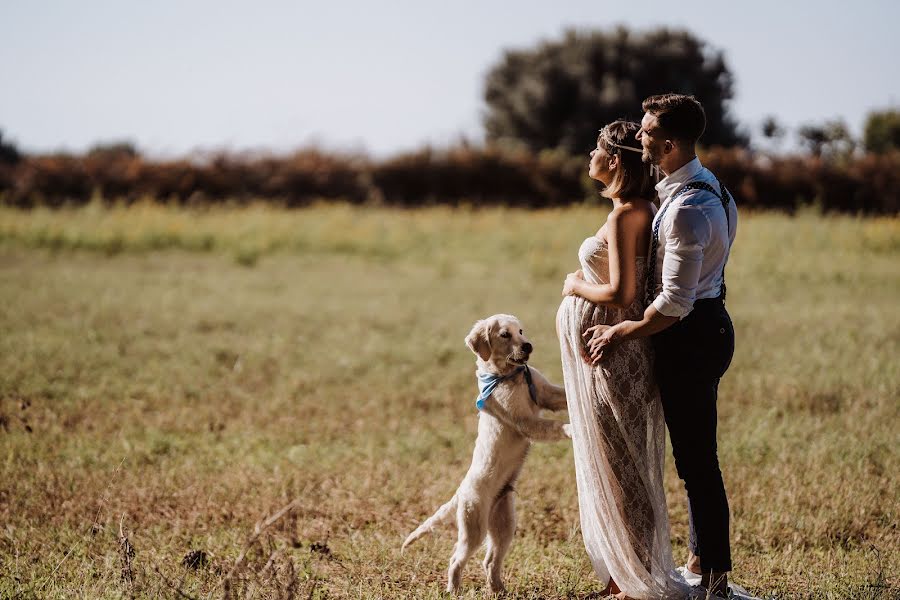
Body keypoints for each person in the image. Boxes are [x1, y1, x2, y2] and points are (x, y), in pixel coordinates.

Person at [584, 94, 739, 598]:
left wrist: (617, 331)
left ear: (668, 143)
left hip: (691, 336)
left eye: (647, 132)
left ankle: (714, 577)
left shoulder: (687, 209)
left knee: (697, 464)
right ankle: (700, 561)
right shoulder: (707, 186)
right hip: (706, 325)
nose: (640, 136)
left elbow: (673, 303)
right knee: (694, 460)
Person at [556, 120, 694, 599]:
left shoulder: (625, 214)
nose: (589, 156)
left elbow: (621, 292)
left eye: (596, 148)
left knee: (624, 466)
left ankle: (629, 581)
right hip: (615, 350)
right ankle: (623, 576)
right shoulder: (638, 207)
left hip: (616, 353)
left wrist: (575, 284)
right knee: (625, 463)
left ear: (614, 160)